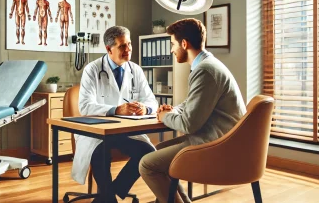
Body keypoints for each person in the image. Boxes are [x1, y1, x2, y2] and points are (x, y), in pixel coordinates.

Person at [139, 18, 246, 203]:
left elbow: (189, 124)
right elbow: (192, 102)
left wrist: (165, 116)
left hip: (218, 146)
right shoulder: (207, 65)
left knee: (147, 165)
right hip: (220, 139)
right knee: (159, 150)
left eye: (172, 44)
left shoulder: (205, 71)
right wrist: (173, 109)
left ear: (184, 43)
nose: (171, 50)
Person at [75, 26, 158, 202]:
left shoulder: (135, 70)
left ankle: (110, 192)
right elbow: (85, 106)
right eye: (122, 46)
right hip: (97, 132)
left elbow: (152, 101)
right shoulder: (92, 69)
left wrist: (145, 108)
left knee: (148, 152)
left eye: (129, 44)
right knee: (100, 153)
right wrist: (116, 109)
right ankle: (108, 198)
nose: (128, 49)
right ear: (108, 49)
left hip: (125, 131)